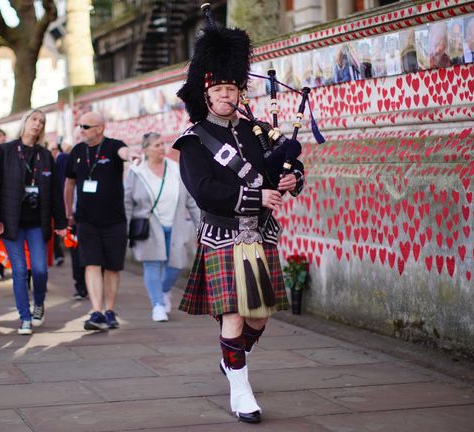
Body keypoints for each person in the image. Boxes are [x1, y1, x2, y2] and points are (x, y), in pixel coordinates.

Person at [173, 6, 304, 423]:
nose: (227, 96)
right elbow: (205, 192)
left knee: (259, 317)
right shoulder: (194, 141)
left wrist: (290, 179)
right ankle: (241, 389)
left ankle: (233, 361)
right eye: (220, 90)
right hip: (223, 234)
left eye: (233, 89)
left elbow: (280, 167)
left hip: (261, 235)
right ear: (206, 93)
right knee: (232, 314)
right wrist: (257, 197)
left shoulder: (257, 130)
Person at [0, 110, 67, 335]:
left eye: (41, 121)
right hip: (11, 222)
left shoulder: (45, 155)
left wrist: (60, 222)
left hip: (37, 223)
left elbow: (55, 193)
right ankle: (25, 318)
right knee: (20, 271)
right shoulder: (5, 151)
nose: (38, 124)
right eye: (34, 119)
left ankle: (38, 302)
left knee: (40, 269)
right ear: (25, 122)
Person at [64, 111, 135, 331]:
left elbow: (124, 152)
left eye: (85, 126)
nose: (81, 130)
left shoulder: (113, 146)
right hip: (86, 220)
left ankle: (110, 310)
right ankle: (96, 311)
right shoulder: (77, 151)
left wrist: (131, 155)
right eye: (79, 126)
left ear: (99, 129)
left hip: (114, 220)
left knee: (112, 268)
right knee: (92, 264)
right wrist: (68, 213)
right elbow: (69, 184)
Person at [124, 132, 199, 322]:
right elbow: (127, 201)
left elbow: (190, 200)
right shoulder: (137, 171)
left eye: (162, 144)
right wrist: (124, 229)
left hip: (175, 225)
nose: (161, 148)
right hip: (149, 225)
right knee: (152, 264)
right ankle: (157, 304)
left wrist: (201, 226)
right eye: (156, 145)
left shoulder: (176, 169)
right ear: (146, 149)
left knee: (176, 266)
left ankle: (164, 291)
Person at [55, 141, 88, 300]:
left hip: (93, 217)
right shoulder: (67, 162)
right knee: (76, 251)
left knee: (92, 253)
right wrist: (68, 214)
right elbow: (66, 187)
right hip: (75, 215)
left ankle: (92, 284)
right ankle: (80, 286)